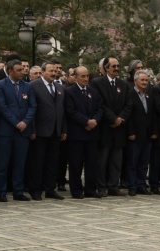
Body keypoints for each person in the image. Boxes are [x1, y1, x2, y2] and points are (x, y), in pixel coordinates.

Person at [0, 58, 35, 201]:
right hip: (5, 131)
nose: (22, 72)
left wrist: (25, 122)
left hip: (22, 132)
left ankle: (18, 191)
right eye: (18, 70)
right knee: (3, 163)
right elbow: (2, 106)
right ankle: (1, 191)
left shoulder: (27, 86)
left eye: (23, 69)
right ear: (10, 71)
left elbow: (32, 106)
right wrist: (16, 122)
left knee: (20, 163)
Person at [92, 56, 131, 197]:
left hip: (119, 128)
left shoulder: (124, 84)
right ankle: (101, 186)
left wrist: (120, 118)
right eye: (113, 66)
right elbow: (100, 103)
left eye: (118, 66)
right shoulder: (97, 83)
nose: (116, 69)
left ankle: (114, 186)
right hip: (105, 128)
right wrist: (113, 118)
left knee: (116, 160)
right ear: (106, 68)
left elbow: (129, 104)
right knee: (102, 160)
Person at [28, 61, 66, 200]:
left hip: (55, 131)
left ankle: (50, 189)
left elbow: (62, 110)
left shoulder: (59, 87)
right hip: (40, 131)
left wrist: (63, 129)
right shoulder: (33, 86)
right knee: (38, 162)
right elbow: (31, 109)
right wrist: (32, 129)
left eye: (55, 71)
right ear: (43, 72)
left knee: (52, 162)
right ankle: (35, 189)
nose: (54, 73)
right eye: (51, 70)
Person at [63, 66, 103, 199]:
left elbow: (99, 109)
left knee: (92, 163)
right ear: (75, 77)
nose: (86, 79)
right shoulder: (69, 92)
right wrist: (86, 122)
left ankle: (90, 189)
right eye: (83, 76)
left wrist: (94, 121)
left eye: (87, 76)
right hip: (77, 133)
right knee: (76, 163)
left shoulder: (93, 91)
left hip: (92, 133)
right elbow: (71, 111)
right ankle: (76, 190)